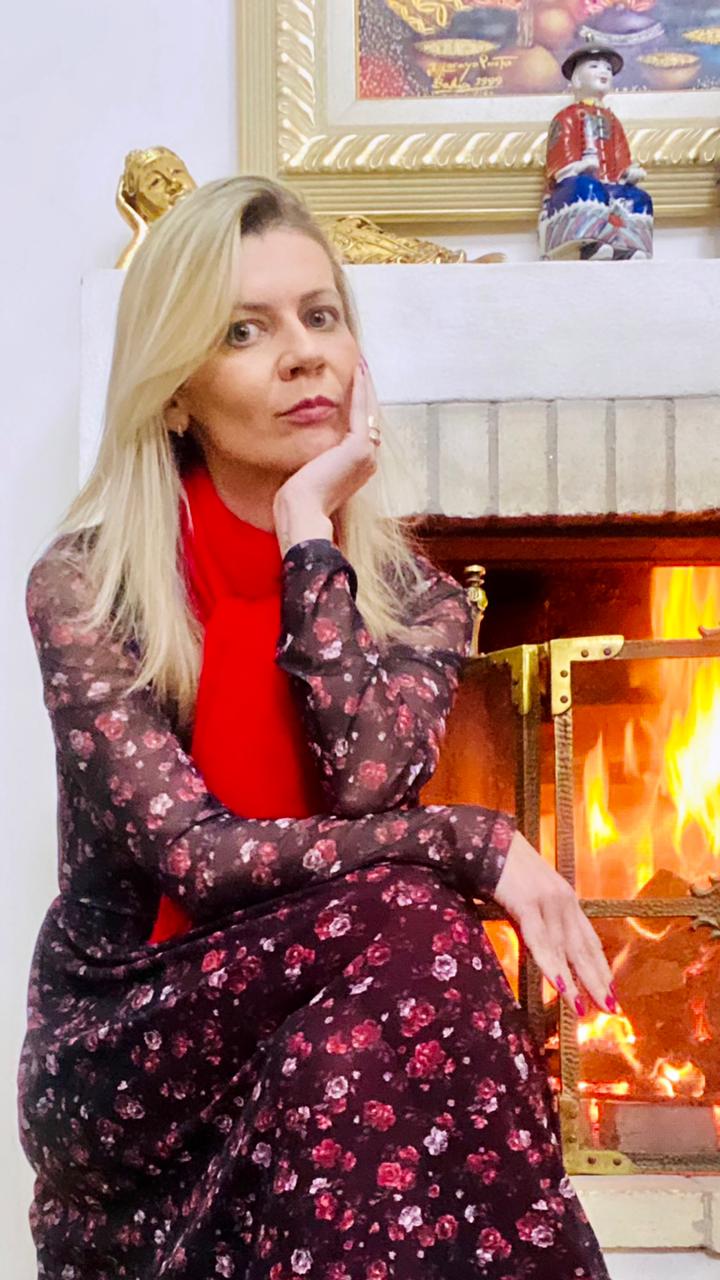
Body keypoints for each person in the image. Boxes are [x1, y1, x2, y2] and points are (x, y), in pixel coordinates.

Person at [18, 175, 615, 1279]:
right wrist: (474, 837)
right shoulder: (90, 587)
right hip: (133, 1038)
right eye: (244, 331)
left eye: (320, 316)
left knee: (378, 994)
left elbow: (366, 782)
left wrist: (308, 537)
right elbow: (197, 858)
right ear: (177, 393)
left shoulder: (420, 600)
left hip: (329, 1024)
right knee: (414, 911)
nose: (302, 355)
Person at [539, 43, 654, 261]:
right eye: (594, 66)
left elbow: (621, 158)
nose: (604, 72)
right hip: (575, 184)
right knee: (589, 188)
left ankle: (625, 247)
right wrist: (580, 166)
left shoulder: (612, 121)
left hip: (610, 184)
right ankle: (587, 245)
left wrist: (629, 173)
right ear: (576, 79)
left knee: (638, 198)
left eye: (608, 69)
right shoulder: (566, 117)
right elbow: (559, 161)